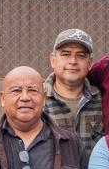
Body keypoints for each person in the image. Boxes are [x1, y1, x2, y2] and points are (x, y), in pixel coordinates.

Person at [44, 28, 105, 156]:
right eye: (65, 54)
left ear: (90, 63)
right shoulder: (37, 99)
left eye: (81, 55)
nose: (73, 61)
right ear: (52, 60)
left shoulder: (103, 100)